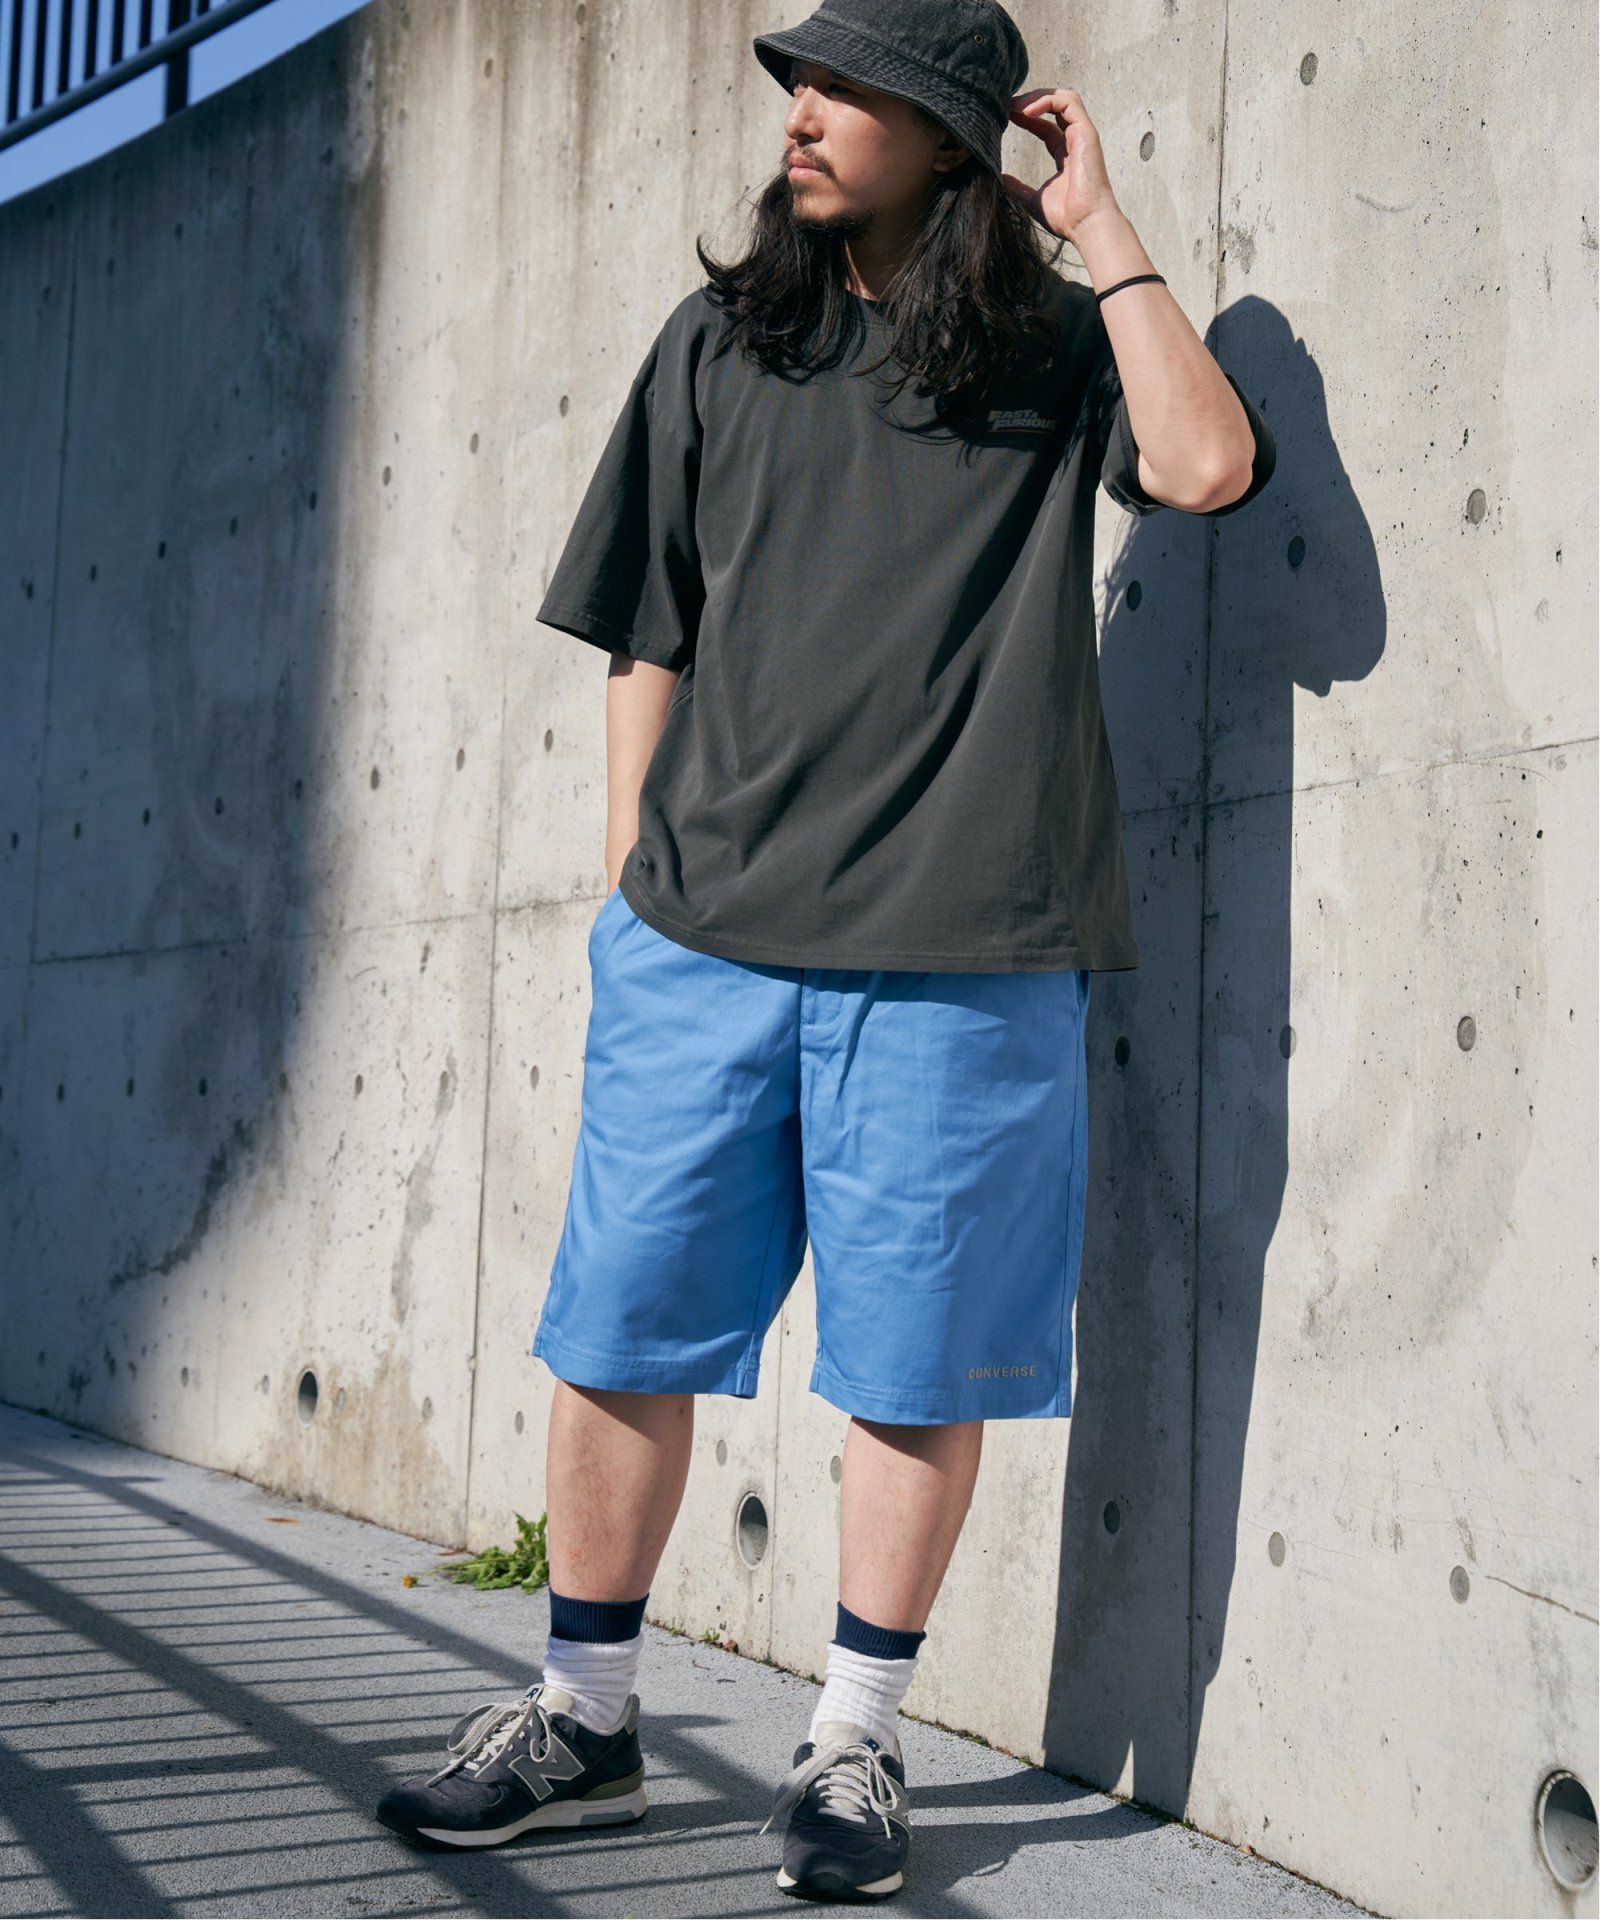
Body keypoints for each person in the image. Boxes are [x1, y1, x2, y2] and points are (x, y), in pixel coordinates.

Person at [375, 0, 1276, 1899]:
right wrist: (633, 886)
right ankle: (586, 1715)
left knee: (914, 1362)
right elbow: (647, 624)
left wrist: (1101, 226)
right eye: (800, 78)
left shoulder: (1051, 350)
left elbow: (1204, 467)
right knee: (619, 1326)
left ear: (952, 138)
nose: (803, 111)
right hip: (702, 939)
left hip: (966, 947)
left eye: (852, 89)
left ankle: (854, 1745)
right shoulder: (719, 343)